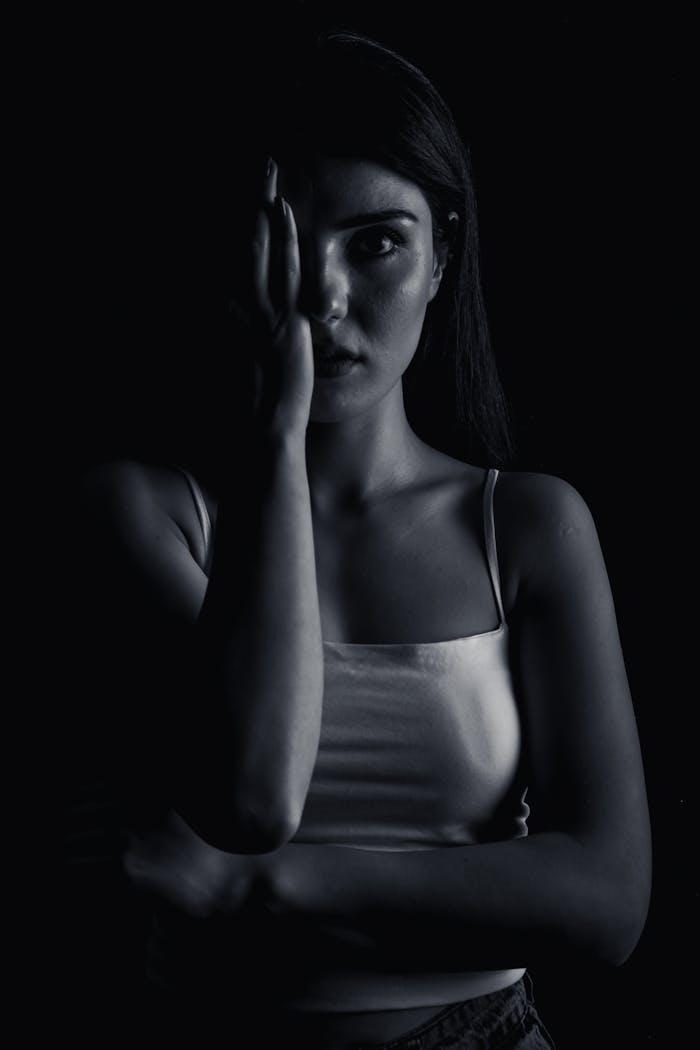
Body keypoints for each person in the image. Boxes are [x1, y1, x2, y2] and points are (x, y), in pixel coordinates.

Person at [68, 29, 651, 1049]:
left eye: (376, 241)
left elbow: (606, 901)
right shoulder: (144, 509)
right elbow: (251, 796)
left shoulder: (526, 525)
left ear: (440, 260)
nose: (323, 299)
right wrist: (275, 435)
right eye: (286, 243)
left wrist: (254, 891)